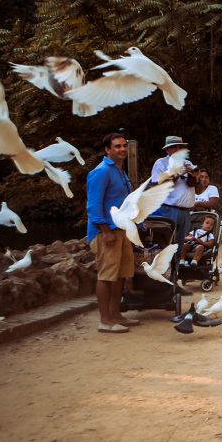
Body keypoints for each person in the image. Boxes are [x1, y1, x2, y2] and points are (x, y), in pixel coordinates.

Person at [85, 132, 140, 333]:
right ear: (107, 150)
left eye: (124, 145)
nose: (122, 149)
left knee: (121, 275)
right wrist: (105, 231)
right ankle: (105, 320)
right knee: (107, 275)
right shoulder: (100, 172)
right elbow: (93, 206)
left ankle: (116, 315)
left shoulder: (120, 171)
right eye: (117, 146)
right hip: (106, 232)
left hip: (121, 230)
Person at [150, 136, 197, 249]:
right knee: (166, 244)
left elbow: (191, 184)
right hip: (169, 209)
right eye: (174, 147)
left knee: (179, 246)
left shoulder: (187, 162)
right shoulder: (161, 163)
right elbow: (158, 185)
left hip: (185, 211)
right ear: (167, 150)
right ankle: (166, 266)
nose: (178, 149)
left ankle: (176, 266)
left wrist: (193, 175)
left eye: (180, 147)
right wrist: (178, 173)